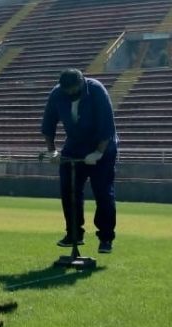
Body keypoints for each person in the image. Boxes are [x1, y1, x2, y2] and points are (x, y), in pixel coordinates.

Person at [41, 68, 118, 254]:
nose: (72, 94)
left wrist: (98, 153)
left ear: (82, 82)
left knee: (103, 192)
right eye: (68, 91)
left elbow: (107, 126)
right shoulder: (57, 94)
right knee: (68, 190)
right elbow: (48, 124)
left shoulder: (97, 90)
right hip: (75, 145)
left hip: (102, 146)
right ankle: (74, 234)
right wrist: (52, 152)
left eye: (75, 90)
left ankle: (106, 238)